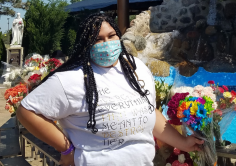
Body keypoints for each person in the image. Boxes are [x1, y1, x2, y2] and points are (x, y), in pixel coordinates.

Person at [16, 13, 204, 166]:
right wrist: (66, 149)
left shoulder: (137, 68)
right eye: (98, 39)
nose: (107, 43)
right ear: (85, 44)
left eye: (111, 36)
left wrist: (183, 143)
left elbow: (148, 111)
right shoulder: (69, 79)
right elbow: (27, 111)